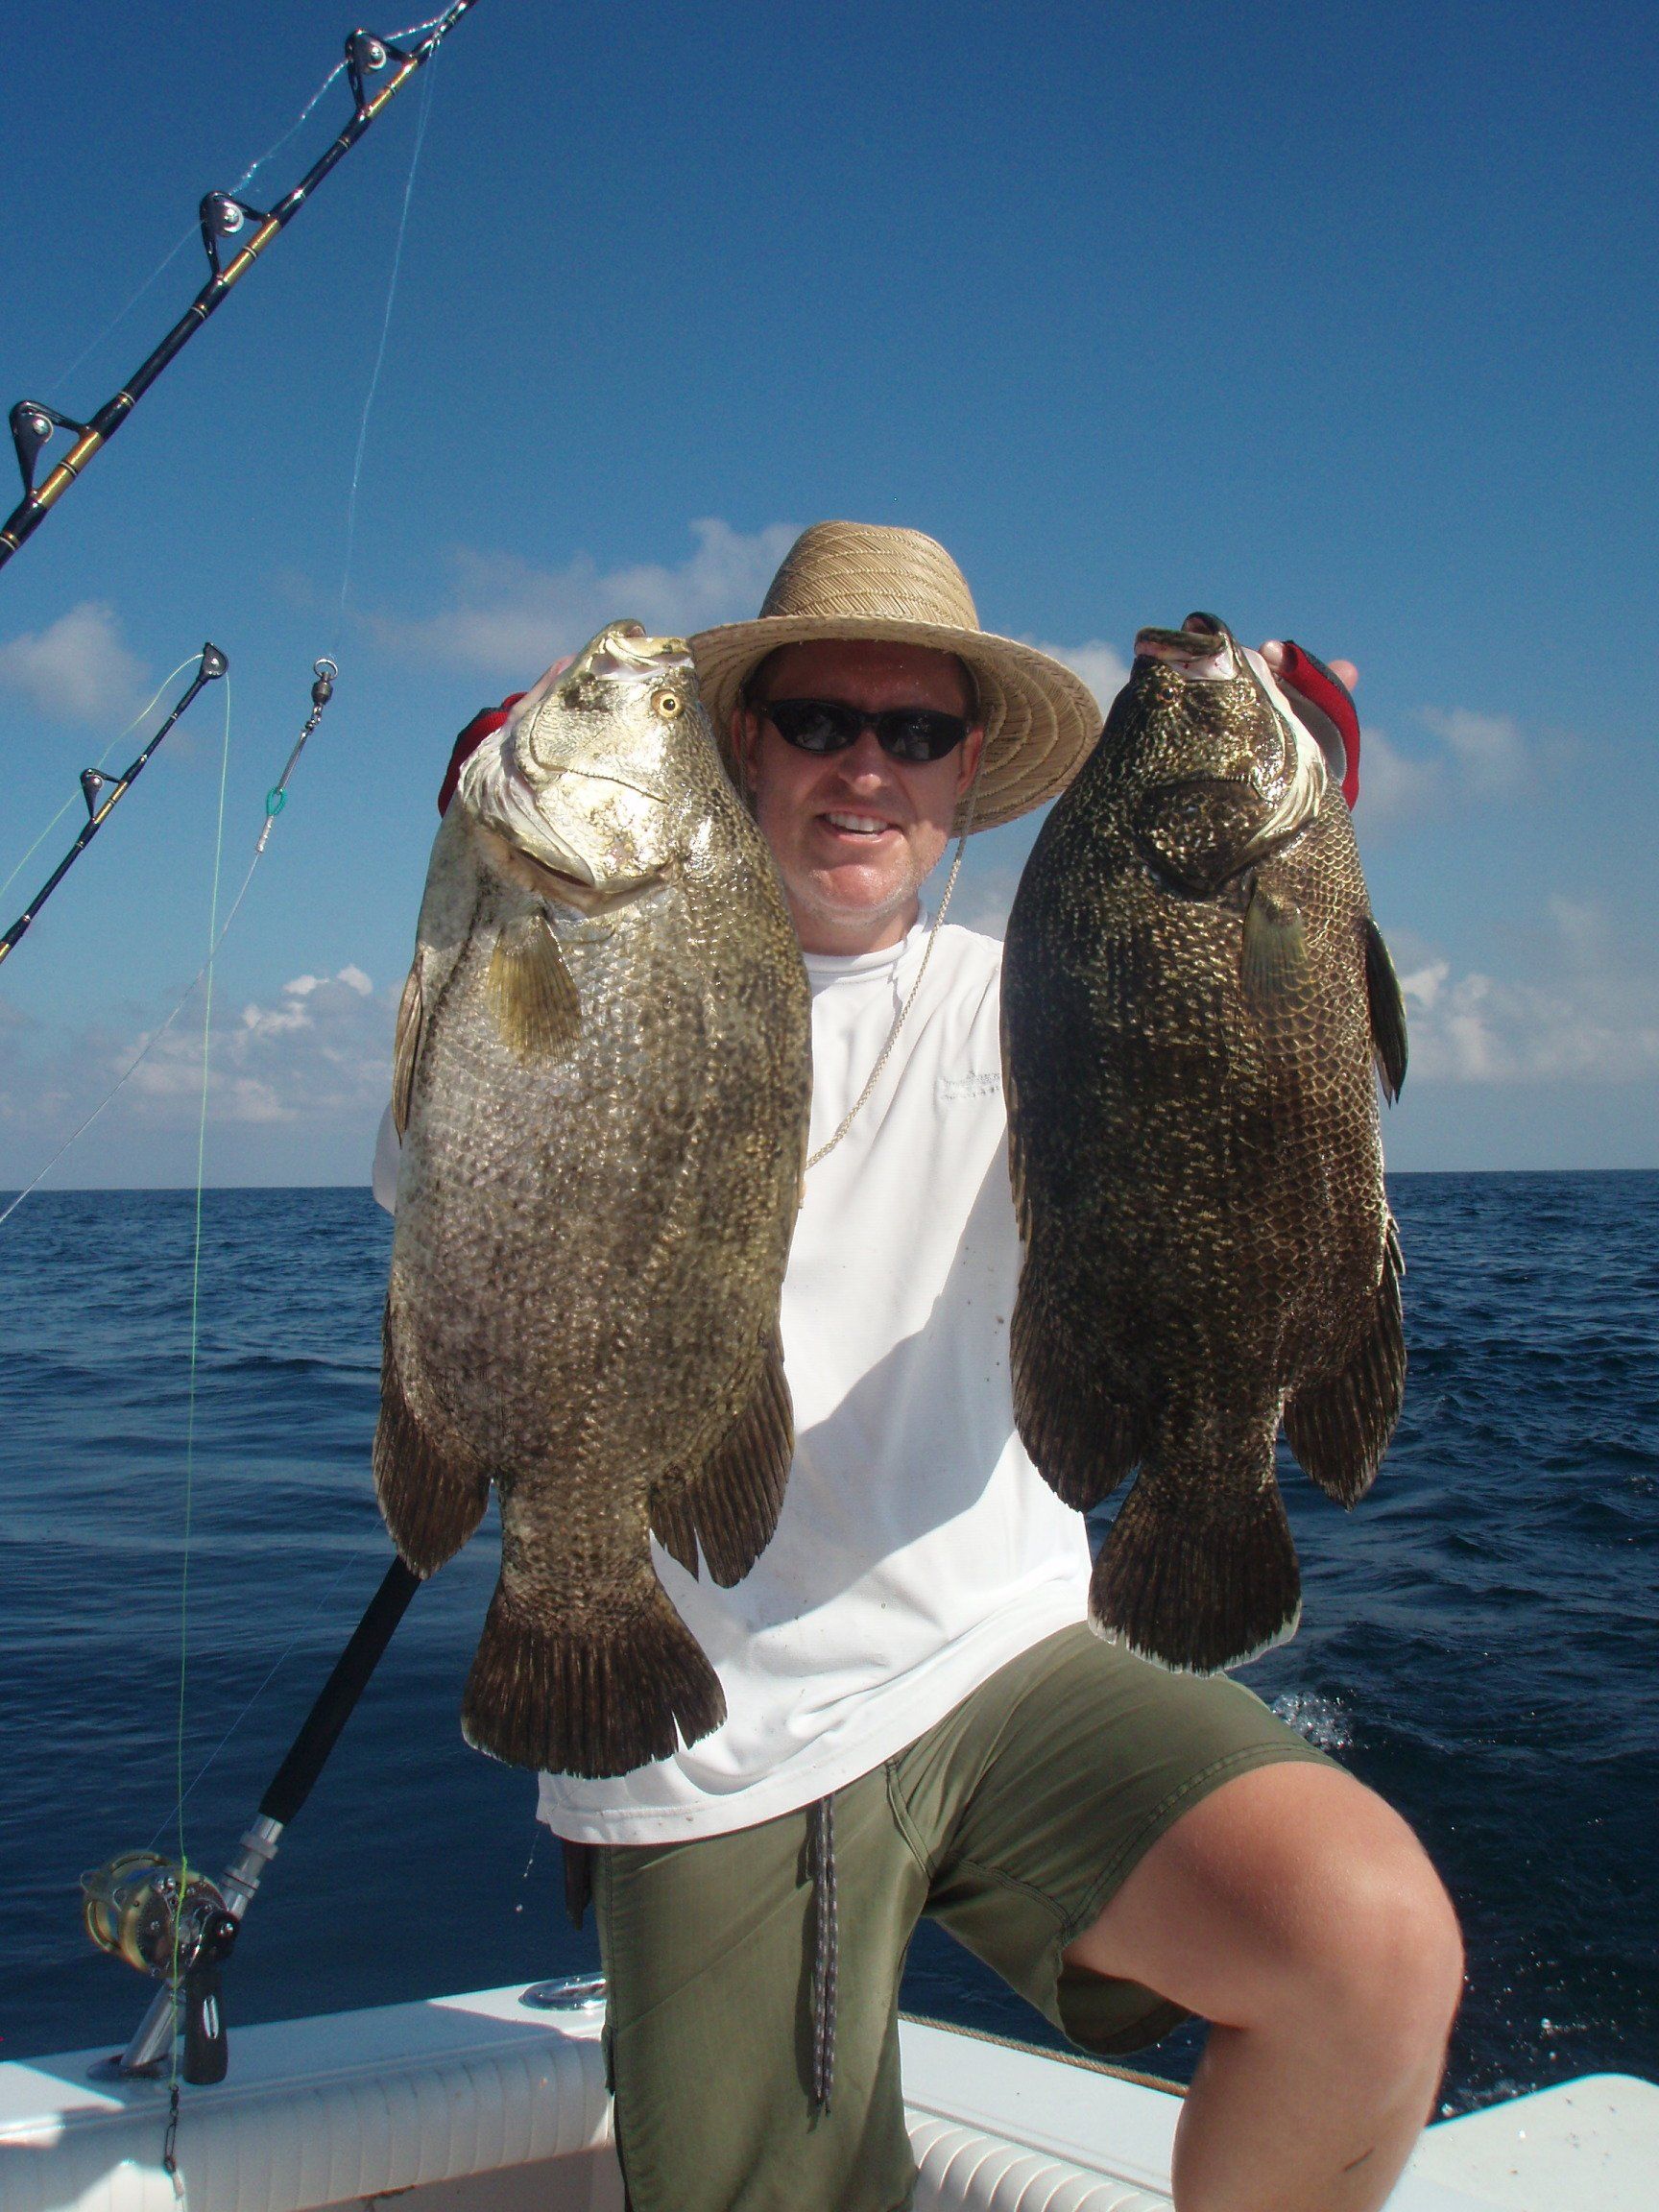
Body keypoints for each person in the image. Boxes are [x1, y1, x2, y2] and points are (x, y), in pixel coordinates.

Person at [380, 522, 1463, 2212]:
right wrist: (486, 889)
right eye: (819, 723)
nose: (866, 769)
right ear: (743, 746)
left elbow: (1251, 1043)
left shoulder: (1048, 986)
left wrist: (1303, 782)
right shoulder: (559, 963)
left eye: (917, 734)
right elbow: (458, 1213)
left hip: (1003, 1653)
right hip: (708, 1717)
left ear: (971, 773)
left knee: (1371, 1945)